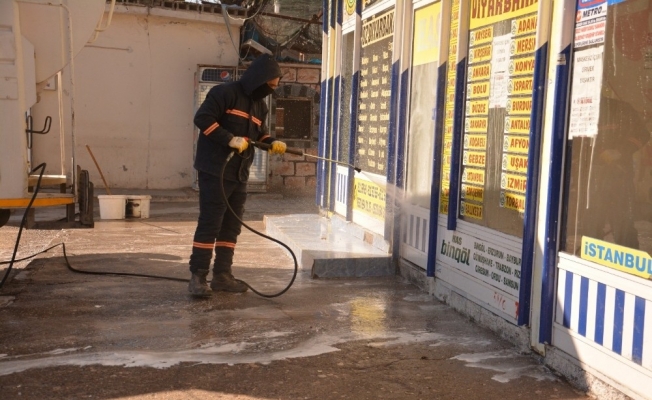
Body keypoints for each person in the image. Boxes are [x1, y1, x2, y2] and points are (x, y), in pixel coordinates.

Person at [188, 54, 287, 297]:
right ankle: (198, 276)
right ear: (259, 79)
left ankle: (222, 275)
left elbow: (259, 135)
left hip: (239, 172)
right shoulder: (225, 93)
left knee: (231, 227)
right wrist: (229, 139)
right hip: (215, 169)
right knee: (211, 223)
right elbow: (202, 118)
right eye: (269, 85)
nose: (271, 90)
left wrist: (271, 142)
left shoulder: (260, 106)